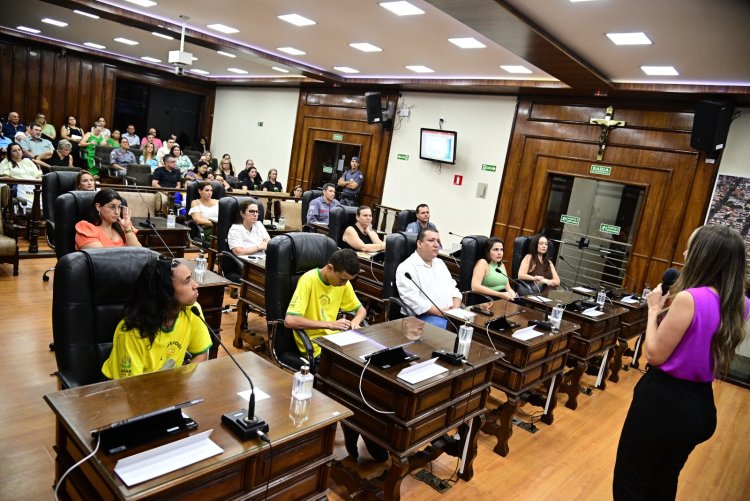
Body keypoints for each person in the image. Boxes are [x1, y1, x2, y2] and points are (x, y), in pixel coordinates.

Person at [613, 225, 749, 500]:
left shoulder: (690, 299)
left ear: (704, 255)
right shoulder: (741, 304)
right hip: (699, 407)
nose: (685, 253)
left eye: (691, 247)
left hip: (663, 404)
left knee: (630, 484)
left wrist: (653, 311)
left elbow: (653, 354)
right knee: (663, 481)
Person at [283, 248, 377, 462]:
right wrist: (330, 324)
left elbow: (360, 309)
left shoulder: (343, 282)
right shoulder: (308, 280)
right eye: (342, 279)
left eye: (348, 281)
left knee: (369, 373)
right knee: (350, 383)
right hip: (315, 347)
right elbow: (290, 320)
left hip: (338, 343)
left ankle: (368, 431)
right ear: (330, 268)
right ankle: (353, 430)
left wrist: (355, 322)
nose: (344, 285)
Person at [101, 257, 212, 379]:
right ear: (165, 292)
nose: (195, 285)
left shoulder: (192, 310)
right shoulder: (130, 332)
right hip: (121, 391)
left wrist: (181, 383)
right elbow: (131, 388)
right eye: (187, 281)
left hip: (168, 389)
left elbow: (201, 354)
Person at [396, 228, 461, 328]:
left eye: (438, 241)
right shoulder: (406, 267)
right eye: (431, 240)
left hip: (451, 314)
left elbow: (453, 288)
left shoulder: (440, 263)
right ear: (419, 243)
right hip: (426, 316)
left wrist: (456, 307)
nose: (436, 245)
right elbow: (414, 300)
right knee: (454, 331)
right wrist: (442, 313)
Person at [74, 188, 141, 250]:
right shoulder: (87, 229)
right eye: (112, 207)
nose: (117, 212)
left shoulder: (123, 227)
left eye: (119, 207)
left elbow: (139, 254)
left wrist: (127, 228)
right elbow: (101, 259)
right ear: (98, 207)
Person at [0, 142, 42, 208]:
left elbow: (38, 175)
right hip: (16, 186)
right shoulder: (5, 162)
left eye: (19, 150)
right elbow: (6, 178)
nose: (18, 152)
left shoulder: (28, 161)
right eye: (14, 151)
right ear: (10, 153)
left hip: (34, 185)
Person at [188, 182, 219, 247]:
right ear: (200, 191)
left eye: (211, 190)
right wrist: (218, 223)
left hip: (220, 228)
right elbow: (198, 220)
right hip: (207, 231)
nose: (209, 193)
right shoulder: (195, 202)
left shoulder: (218, 202)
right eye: (207, 190)